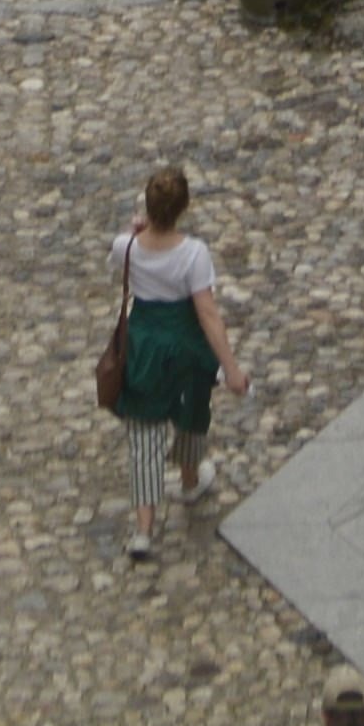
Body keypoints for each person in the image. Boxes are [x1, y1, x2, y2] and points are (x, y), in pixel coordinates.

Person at [107, 166, 241, 563]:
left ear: (148, 207)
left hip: (144, 347)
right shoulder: (194, 254)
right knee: (191, 414)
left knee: (143, 434)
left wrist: (137, 231)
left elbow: (124, 256)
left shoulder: (125, 247)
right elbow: (208, 314)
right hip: (185, 348)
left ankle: (144, 530)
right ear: (183, 208)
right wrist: (231, 368)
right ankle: (189, 479)